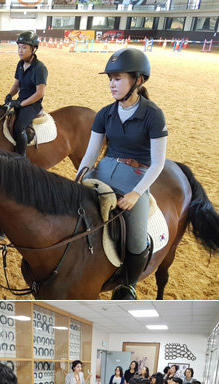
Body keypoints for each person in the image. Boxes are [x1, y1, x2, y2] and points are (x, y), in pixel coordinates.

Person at [76, 48, 167, 300]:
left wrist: (137, 194)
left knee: (137, 242)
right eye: (110, 79)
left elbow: (158, 163)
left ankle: (128, 284)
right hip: (103, 170)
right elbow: (90, 154)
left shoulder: (153, 115)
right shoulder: (105, 113)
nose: (112, 84)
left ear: (137, 80)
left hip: (135, 178)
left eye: (118, 78)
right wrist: (79, 177)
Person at [3, 31, 47, 157]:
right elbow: (16, 85)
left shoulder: (40, 68)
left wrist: (21, 104)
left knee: (19, 127)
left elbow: (39, 94)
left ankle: (21, 157)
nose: (20, 51)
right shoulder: (20, 64)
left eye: (24, 47)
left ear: (33, 49)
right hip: (20, 101)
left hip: (33, 104)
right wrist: (10, 95)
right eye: (19, 47)